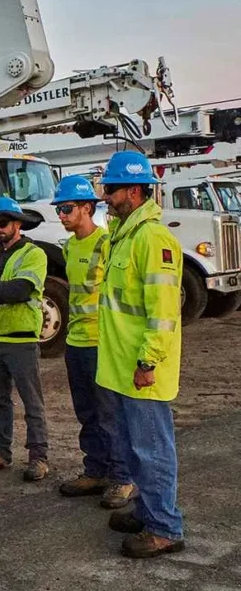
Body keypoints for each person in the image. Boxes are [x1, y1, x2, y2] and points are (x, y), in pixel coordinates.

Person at [97, 151, 185, 558]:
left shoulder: (152, 239)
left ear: (133, 190)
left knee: (151, 449)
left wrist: (148, 361)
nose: (106, 197)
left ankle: (165, 527)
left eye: (111, 190)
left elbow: (163, 312)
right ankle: (148, 512)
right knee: (135, 448)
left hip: (141, 369)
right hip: (123, 367)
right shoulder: (125, 235)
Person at [53, 175, 137, 509]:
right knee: (86, 411)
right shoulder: (70, 246)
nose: (61, 215)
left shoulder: (107, 244)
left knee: (109, 413)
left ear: (88, 208)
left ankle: (121, 477)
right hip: (77, 342)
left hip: (102, 342)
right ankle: (96, 469)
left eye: (67, 208)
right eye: (59, 209)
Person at [0, 196, 51, 481]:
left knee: (32, 402)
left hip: (22, 340)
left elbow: (23, 290)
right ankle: (0, 452)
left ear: (17, 224)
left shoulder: (34, 254)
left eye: (3, 223)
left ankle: (38, 457)